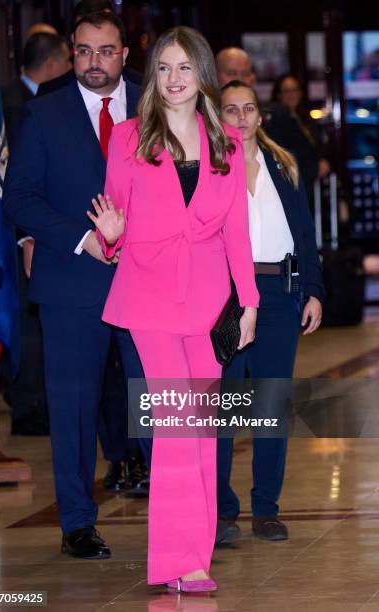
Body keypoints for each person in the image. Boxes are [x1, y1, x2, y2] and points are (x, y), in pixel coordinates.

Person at [88, 26, 259, 592]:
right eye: (163, 68)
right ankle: (178, 561)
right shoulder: (132, 138)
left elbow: (236, 232)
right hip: (150, 299)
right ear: (152, 76)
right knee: (176, 426)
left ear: (202, 75)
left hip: (211, 307)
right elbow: (116, 220)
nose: (173, 79)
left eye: (184, 67)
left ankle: (197, 555)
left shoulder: (228, 145)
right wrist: (110, 235)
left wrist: (249, 301)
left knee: (201, 429)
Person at [3, 10, 151, 559]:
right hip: (72, 283)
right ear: (72, 52)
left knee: (159, 402)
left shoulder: (156, 102)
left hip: (149, 282)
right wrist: (79, 238)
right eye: (85, 51)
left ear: (124, 54)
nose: (95, 62)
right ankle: (77, 525)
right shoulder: (44, 114)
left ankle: (181, 513)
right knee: (73, 409)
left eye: (106, 51)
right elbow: (19, 198)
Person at [216, 81, 324, 544]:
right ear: (216, 118)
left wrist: (313, 290)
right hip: (226, 296)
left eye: (248, 109)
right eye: (231, 110)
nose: (241, 118)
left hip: (280, 293)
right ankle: (221, 512)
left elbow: (304, 232)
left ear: (260, 116)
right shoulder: (207, 169)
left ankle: (266, 510)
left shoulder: (283, 165)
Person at [2, 32, 71, 436]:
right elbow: (9, 176)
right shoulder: (11, 105)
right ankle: (28, 405)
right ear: (52, 64)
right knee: (25, 325)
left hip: (45, 230)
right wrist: (26, 237)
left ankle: (36, 401)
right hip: (17, 236)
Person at [215, 47, 320, 205]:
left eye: (245, 73)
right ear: (214, 76)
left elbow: (307, 164)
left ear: (253, 78)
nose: (238, 79)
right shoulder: (200, 123)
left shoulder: (277, 117)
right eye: (231, 73)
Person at [271, 73, 331, 199]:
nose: (291, 94)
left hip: (311, 184)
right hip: (293, 184)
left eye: (295, 90)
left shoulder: (304, 118)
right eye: (286, 91)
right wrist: (315, 169)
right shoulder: (277, 119)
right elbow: (286, 153)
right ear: (279, 94)